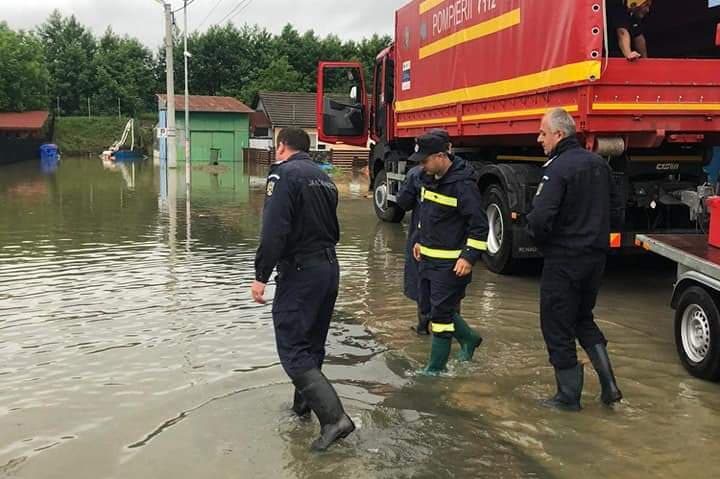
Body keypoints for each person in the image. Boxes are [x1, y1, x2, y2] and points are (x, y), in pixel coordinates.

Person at [251, 127, 355, 450]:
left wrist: (261, 274)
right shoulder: (324, 178)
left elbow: (274, 230)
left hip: (300, 272)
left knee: (293, 348)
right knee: (312, 345)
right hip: (328, 269)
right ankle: (302, 409)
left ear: (282, 147)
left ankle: (334, 419)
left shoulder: (283, 175)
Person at [527, 108, 624, 411]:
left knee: (556, 324)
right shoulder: (599, 164)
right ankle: (609, 387)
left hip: (564, 258)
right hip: (595, 258)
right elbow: (618, 211)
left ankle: (568, 398)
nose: (539, 138)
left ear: (559, 134)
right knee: (583, 318)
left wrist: (539, 241)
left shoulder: (557, 168)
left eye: (543, 132)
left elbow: (541, 217)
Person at [410, 131, 488, 375]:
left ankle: (434, 370)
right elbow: (427, 214)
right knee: (430, 308)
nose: (422, 165)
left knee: (441, 317)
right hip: (427, 257)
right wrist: (419, 240)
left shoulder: (463, 185)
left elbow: (479, 226)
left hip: (451, 264)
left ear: (442, 156)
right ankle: (469, 339)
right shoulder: (429, 177)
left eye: (425, 160)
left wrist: (468, 257)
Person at [396, 129, 452, 335]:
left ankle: (422, 326)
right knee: (449, 290)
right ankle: (450, 329)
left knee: (421, 282)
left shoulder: (415, 174)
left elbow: (403, 203)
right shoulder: (463, 173)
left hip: (422, 238)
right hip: (450, 244)